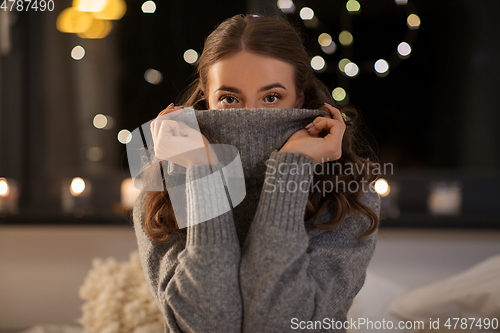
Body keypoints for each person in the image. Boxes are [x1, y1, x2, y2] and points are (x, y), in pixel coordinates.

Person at [132, 14, 381, 333]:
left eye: (272, 97)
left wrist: (291, 169)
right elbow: (208, 325)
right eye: (230, 99)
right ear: (207, 101)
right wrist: (202, 173)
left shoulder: (349, 196)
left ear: (299, 99)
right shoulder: (161, 195)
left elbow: (280, 325)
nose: (251, 115)